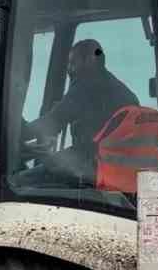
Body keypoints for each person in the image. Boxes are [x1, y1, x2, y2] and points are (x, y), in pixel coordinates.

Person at [24, 39, 139, 184]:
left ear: (90, 60)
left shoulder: (87, 85)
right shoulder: (123, 91)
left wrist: (16, 135)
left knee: (23, 181)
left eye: (73, 63)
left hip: (90, 164)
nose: (69, 69)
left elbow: (53, 121)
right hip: (117, 169)